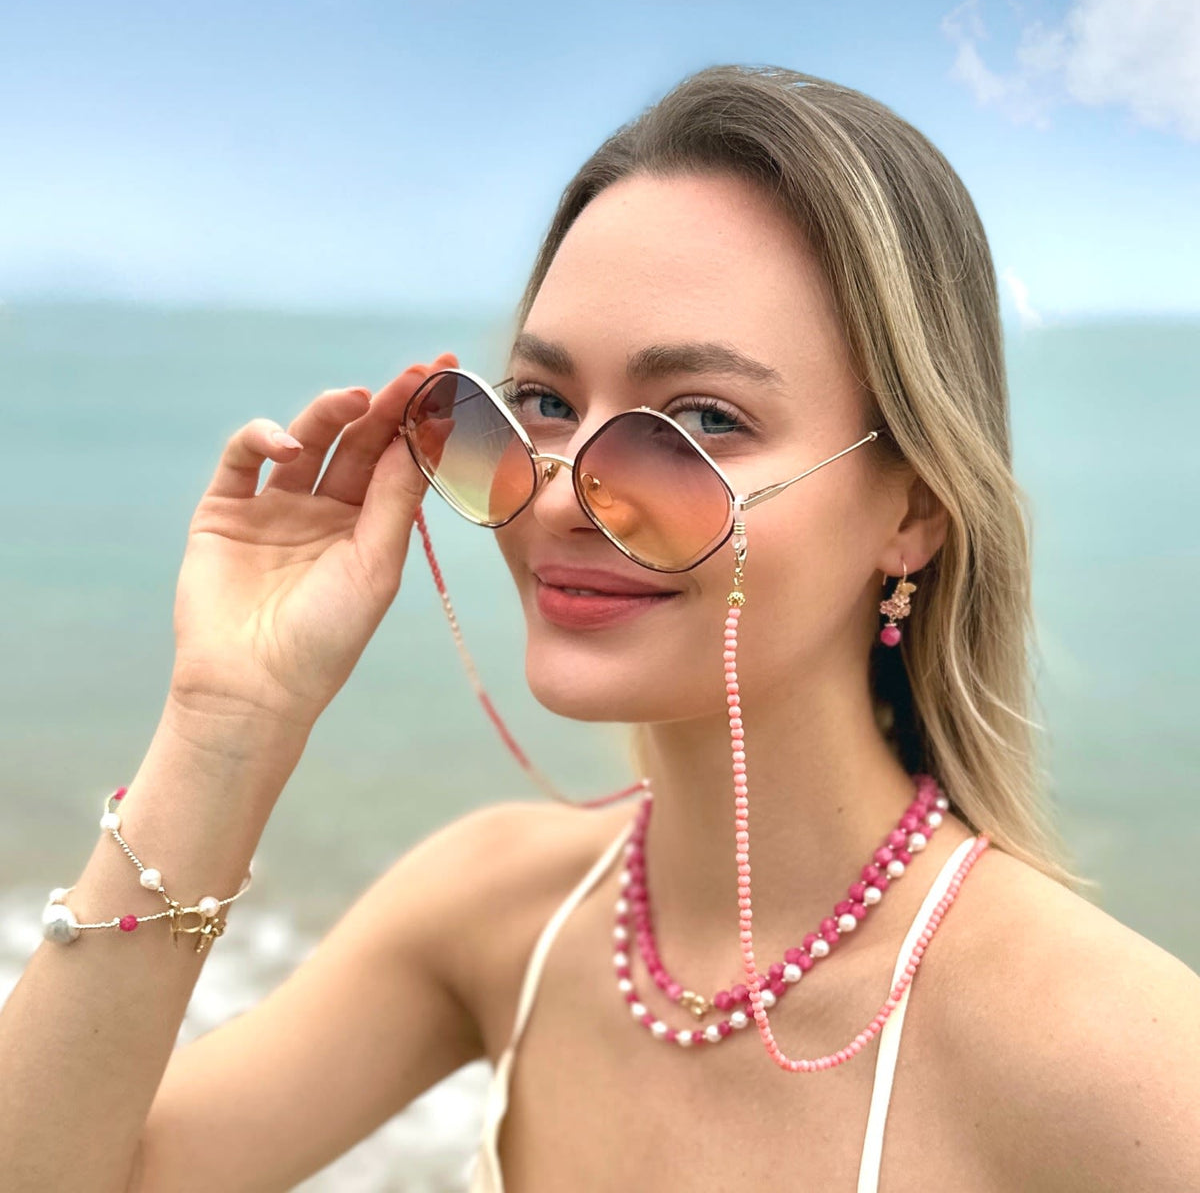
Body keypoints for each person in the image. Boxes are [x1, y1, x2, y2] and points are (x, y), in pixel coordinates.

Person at [2, 62, 1198, 1192]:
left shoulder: (1111, 1051)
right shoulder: (496, 911)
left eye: (704, 419)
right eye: (540, 401)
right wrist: (228, 719)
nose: (563, 496)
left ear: (914, 511)